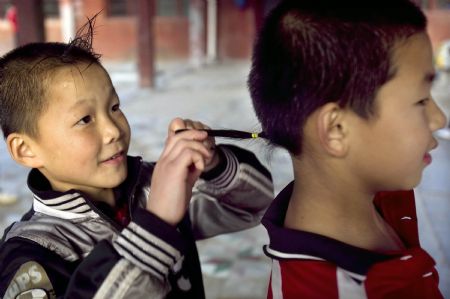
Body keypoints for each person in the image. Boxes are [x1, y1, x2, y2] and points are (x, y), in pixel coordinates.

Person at [0, 20, 274, 299]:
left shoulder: (153, 188)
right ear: (25, 150)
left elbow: (254, 206)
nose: (113, 130)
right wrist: (156, 223)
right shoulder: (33, 252)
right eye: (84, 119)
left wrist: (213, 165)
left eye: (114, 107)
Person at [247, 0, 447, 298]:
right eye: (420, 100)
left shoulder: (379, 188)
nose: (439, 118)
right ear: (337, 129)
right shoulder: (333, 291)